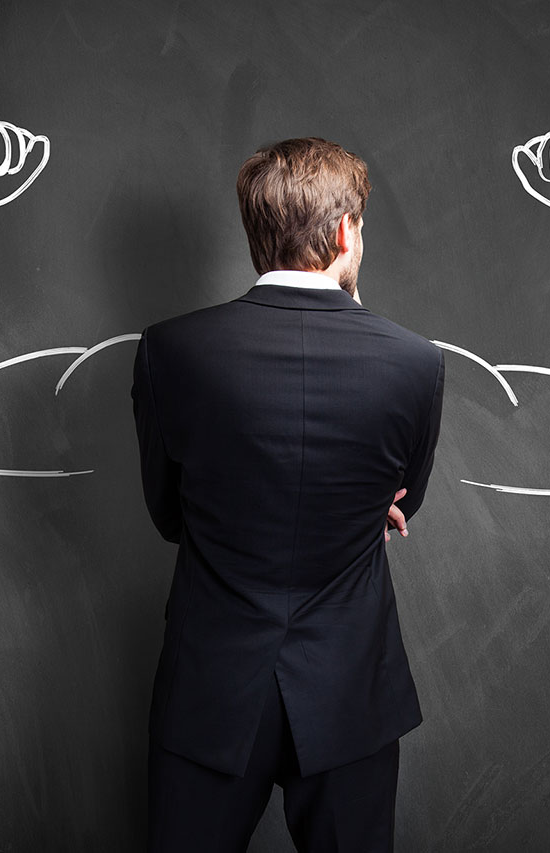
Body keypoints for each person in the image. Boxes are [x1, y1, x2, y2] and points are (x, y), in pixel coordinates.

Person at [131, 137, 445, 852]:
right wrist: (357, 505)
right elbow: (406, 499)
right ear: (345, 232)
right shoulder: (414, 363)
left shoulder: (170, 349)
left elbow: (169, 514)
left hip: (210, 690)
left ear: (256, 234)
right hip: (350, 691)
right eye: (359, 227)